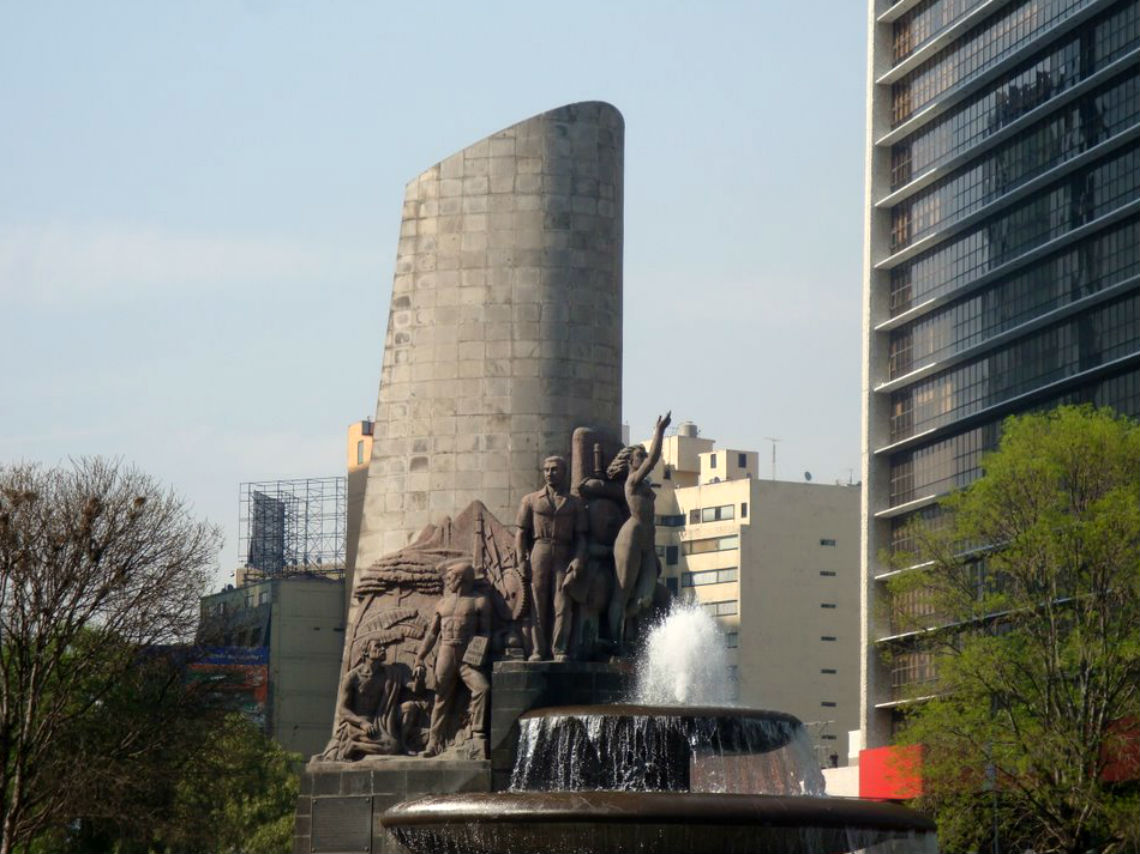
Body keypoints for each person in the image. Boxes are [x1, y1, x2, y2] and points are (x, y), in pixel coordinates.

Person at [413, 561, 492, 757]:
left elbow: (485, 633)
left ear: (462, 579)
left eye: (451, 578)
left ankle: (477, 733)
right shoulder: (442, 603)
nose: (448, 582)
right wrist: (420, 658)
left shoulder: (479, 602)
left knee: (482, 689)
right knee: (440, 698)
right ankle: (433, 743)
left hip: (468, 655)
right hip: (446, 651)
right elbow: (432, 634)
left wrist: (475, 655)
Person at [608, 411, 670, 654]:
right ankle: (615, 643)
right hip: (631, 536)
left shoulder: (643, 485)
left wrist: (652, 554)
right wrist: (660, 431)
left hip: (647, 540)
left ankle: (637, 642)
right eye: (639, 455)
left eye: (643, 454)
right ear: (629, 462)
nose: (643, 457)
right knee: (622, 593)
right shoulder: (632, 481)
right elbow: (653, 459)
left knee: (646, 597)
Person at [515, 455, 588, 661]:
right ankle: (537, 649)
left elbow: (582, 537)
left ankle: (559, 648)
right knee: (537, 603)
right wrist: (521, 560)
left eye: (554, 469)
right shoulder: (530, 500)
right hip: (540, 550)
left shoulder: (575, 503)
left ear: (564, 473)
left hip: (564, 553)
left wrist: (578, 560)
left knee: (562, 602)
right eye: (546, 470)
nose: (549, 473)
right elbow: (521, 532)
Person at [326, 637, 405, 760]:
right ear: (366, 652)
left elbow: (415, 689)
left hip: (382, 722)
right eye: (377, 646)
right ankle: (352, 745)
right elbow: (342, 710)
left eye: (383, 647)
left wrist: (419, 678)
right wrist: (362, 723)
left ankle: (356, 746)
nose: (383, 649)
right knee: (392, 746)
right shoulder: (352, 677)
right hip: (358, 726)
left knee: (393, 745)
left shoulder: (389, 674)